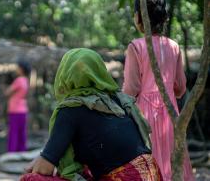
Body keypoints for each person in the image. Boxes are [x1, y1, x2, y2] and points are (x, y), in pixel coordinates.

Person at [21, 48, 162, 181]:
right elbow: (50, 155)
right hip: (153, 174)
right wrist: (45, 157)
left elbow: (44, 168)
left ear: (64, 75)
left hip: (123, 178)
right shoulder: (119, 101)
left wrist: (37, 163)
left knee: (30, 179)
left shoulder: (70, 109)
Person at [123, 0, 194, 181]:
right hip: (171, 116)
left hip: (143, 117)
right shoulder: (174, 46)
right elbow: (180, 87)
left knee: (147, 166)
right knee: (173, 163)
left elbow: (130, 89)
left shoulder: (135, 46)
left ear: (140, 17)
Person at [5, 60, 30, 152]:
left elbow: (7, 92)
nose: (16, 69)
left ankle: (11, 154)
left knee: (13, 133)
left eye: (18, 67)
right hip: (23, 110)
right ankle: (21, 153)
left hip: (15, 110)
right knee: (21, 133)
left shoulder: (18, 80)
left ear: (21, 69)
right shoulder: (26, 80)